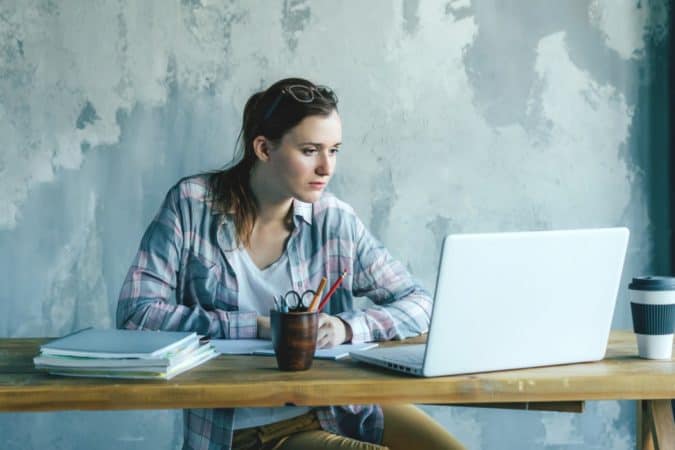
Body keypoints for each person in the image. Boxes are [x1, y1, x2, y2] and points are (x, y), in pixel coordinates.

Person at [117, 77, 465, 450]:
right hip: (252, 431)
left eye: (334, 150)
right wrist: (261, 328)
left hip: (342, 408)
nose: (326, 168)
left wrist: (346, 328)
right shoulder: (193, 204)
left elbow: (421, 303)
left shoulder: (334, 220)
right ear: (264, 149)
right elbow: (136, 314)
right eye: (310, 150)